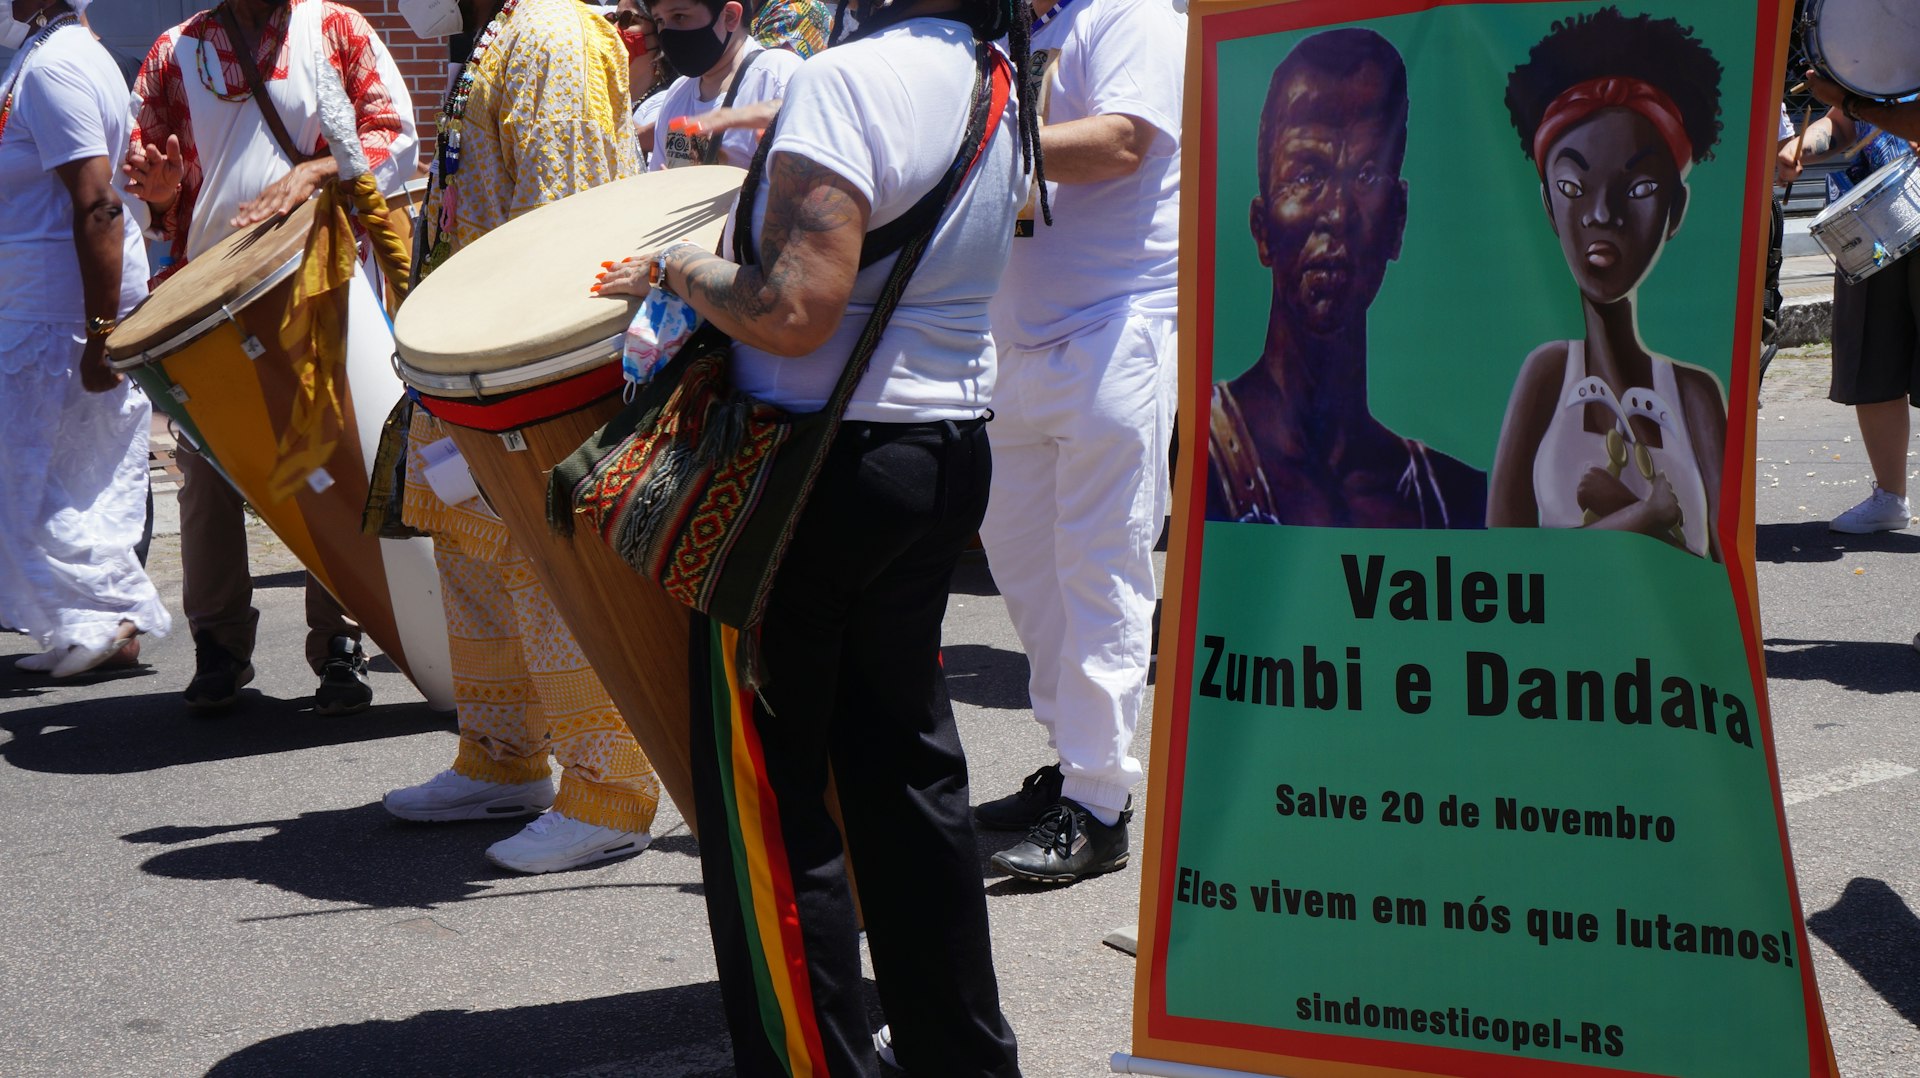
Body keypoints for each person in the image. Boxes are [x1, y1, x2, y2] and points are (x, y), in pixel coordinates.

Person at [592, 0, 1033, 1069]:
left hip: (808, 480)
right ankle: (963, 1059)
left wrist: (675, 268)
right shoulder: (994, 75)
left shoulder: (842, 81)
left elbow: (793, 310)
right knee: (909, 777)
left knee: (767, 799)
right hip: (940, 454)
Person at [384, 0, 664, 876]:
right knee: (479, 563)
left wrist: (524, 373)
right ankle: (502, 761)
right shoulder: (507, 30)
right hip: (477, 357)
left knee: (550, 577)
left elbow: (564, 230)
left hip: (521, 369)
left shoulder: (549, 35)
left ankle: (609, 795)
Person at [124, 0, 419, 712]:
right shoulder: (172, 52)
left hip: (325, 282)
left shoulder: (336, 30)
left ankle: (341, 642)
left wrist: (318, 172)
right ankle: (218, 646)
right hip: (204, 298)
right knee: (208, 480)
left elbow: (394, 138)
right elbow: (147, 186)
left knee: (335, 466)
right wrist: (158, 198)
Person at [971, 0, 1184, 886]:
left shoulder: (1130, 14)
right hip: (1015, 342)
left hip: (1114, 330)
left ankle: (1098, 805)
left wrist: (966, 147)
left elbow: (1123, 143)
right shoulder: (1020, 30)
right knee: (1026, 571)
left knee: (1101, 571)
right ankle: (1072, 766)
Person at [1205, 29, 1487, 528]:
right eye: (1306, 176)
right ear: (1262, 228)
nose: (1337, 213)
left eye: (1367, 176)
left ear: (1397, 221)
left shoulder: (1452, 500)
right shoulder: (1198, 455)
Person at [1486, 8, 1728, 561]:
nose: (1601, 214)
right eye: (1573, 187)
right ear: (1548, 206)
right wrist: (1644, 515)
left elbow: (1720, 580)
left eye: (1639, 189)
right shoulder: (1548, 376)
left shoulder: (1693, 395)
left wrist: (1625, 507)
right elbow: (1502, 570)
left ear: (1675, 210)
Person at [1, 0, 172, 678]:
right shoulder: (50, 55)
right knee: (63, 479)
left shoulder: (58, 67)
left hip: (58, 316)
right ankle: (86, 624)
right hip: (46, 310)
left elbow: (100, 203)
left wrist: (101, 334)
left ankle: (117, 610)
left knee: (29, 479)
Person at [1780, 71, 1920, 534]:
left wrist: (1851, 103)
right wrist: (1801, 146)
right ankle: (1890, 498)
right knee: (1874, 361)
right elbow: (1841, 125)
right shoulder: (1870, 55)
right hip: (1871, 225)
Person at [645, 0, 799, 170]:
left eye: (679, 16)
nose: (667, 32)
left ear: (730, 16)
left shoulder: (775, 77)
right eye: (660, 20)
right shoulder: (676, 94)